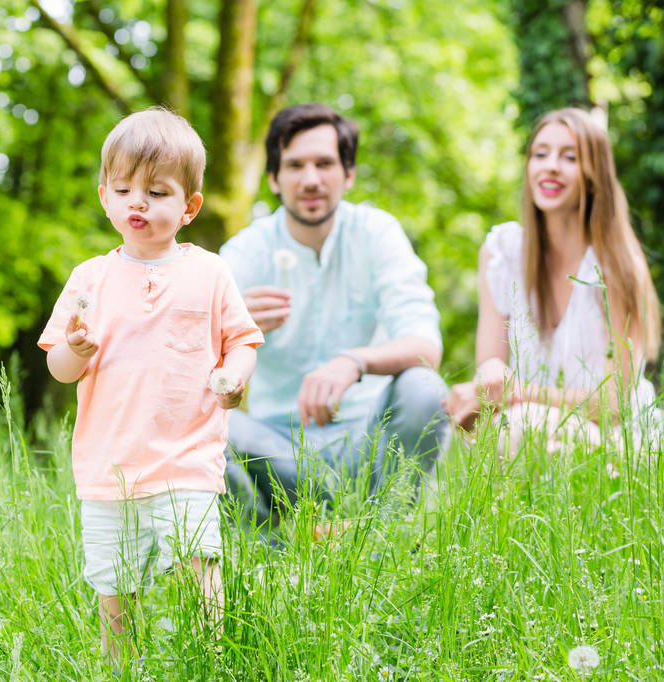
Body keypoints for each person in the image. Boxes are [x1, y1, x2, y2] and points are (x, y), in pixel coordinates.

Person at [38, 108, 264, 662]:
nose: (137, 203)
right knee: (115, 588)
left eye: (157, 192)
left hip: (186, 458)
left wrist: (235, 377)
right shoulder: (90, 278)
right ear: (105, 198)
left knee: (198, 568)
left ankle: (207, 661)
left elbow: (242, 340)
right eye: (124, 190)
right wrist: (75, 351)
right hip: (108, 466)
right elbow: (59, 367)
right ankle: (122, 667)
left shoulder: (209, 273)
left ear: (190, 207)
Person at [219, 103, 449, 530]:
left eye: (324, 164)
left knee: (424, 388)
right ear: (274, 178)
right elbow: (185, 362)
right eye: (295, 166)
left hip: (368, 443)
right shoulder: (245, 251)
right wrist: (228, 329)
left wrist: (353, 362)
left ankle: (383, 535)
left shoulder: (377, 233)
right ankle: (269, 547)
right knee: (206, 423)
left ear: (349, 174)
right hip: (277, 452)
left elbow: (425, 347)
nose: (311, 180)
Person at [443, 107, 664, 458]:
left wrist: (517, 392)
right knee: (489, 428)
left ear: (594, 175)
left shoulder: (617, 266)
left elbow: (614, 405)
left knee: (516, 426)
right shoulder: (503, 253)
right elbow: (489, 363)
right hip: (528, 425)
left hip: (614, 440)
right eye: (540, 154)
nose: (550, 166)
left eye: (569, 157)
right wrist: (489, 381)